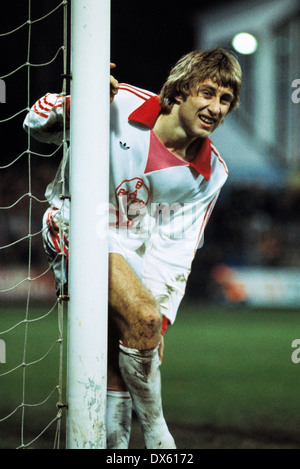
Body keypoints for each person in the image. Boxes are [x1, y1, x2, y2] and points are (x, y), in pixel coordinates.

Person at [23, 48, 242, 449]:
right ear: (179, 91)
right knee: (140, 316)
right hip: (75, 225)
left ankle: (115, 450)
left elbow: (176, 250)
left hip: (133, 253)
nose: (215, 107)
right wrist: (80, 104)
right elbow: (35, 123)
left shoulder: (212, 173)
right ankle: (160, 438)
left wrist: (158, 325)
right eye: (207, 93)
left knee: (128, 355)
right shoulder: (120, 101)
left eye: (225, 99)